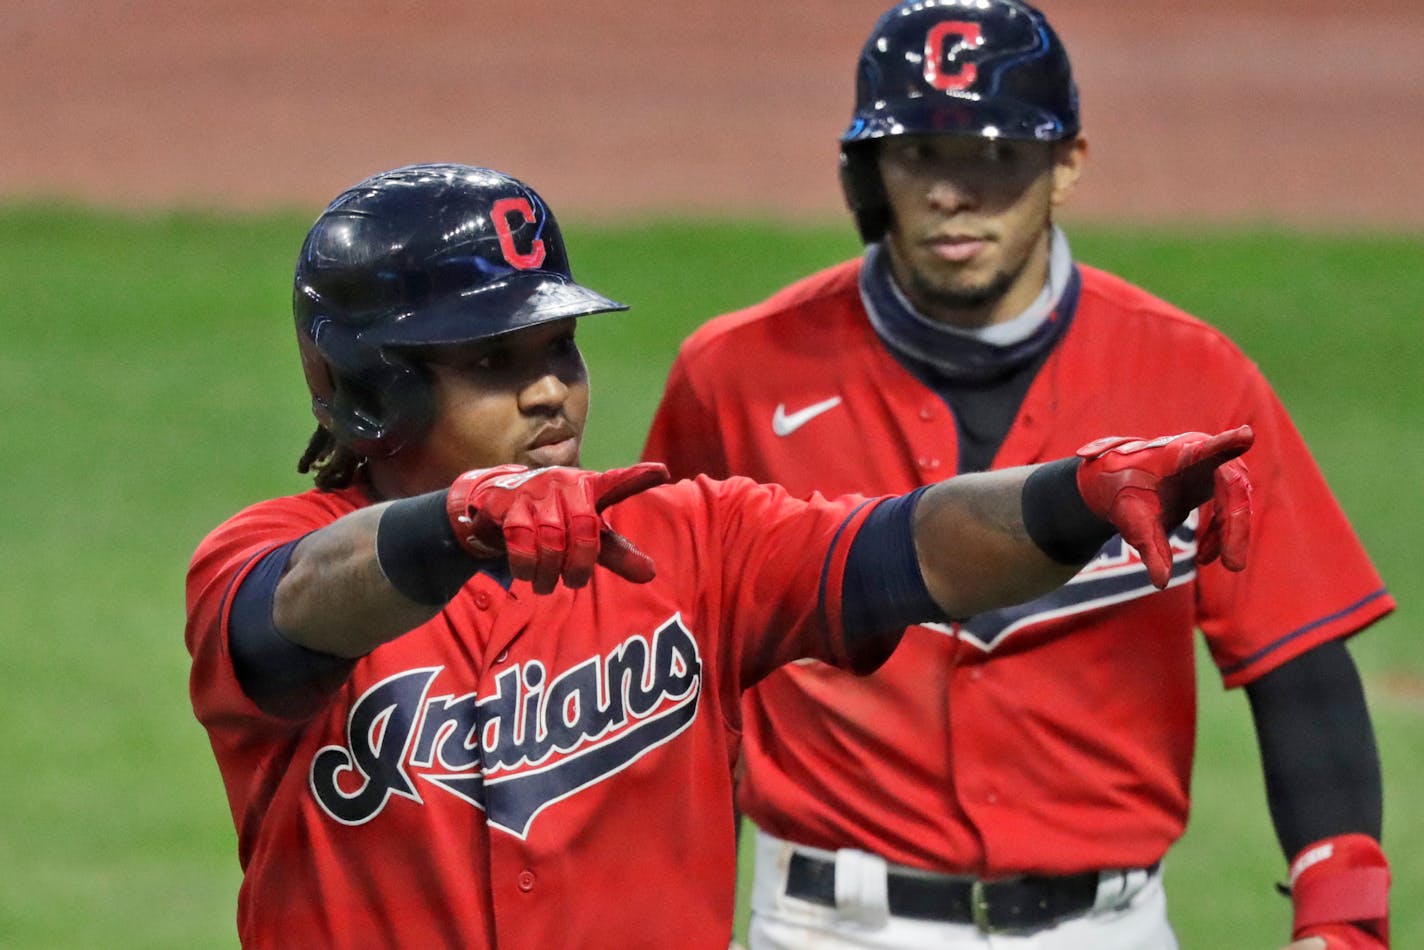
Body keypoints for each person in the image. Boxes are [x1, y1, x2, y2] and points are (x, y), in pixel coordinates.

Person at [184, 163, 1254, 950]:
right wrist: (463, 518)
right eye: (491, 361)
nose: (550, 389)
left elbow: (911, 543)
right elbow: (297, 607)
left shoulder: (687, 540)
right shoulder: (268, 557)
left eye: (559, 347)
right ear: (368, 383)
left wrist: (1068, 496)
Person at [641, 3, 1393, 949]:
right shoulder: (737, 376)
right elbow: (668, 670)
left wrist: (1345, 919)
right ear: (869, 172)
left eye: (995, 157)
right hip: (831, 927)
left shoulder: (1194, 378)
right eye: (919, 155)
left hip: (1109, 928)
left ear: (1066, 164)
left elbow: (1299, 659)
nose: (955, 194)